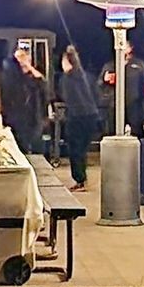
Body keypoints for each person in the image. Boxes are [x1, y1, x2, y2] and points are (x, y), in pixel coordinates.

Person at [55, 44, 99, 191]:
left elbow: (65, 97)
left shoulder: (66, 79)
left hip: (76, 116)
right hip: (91, 116)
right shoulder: (86, 76)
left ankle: (79, 180)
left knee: (75, 149)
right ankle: (82, 179)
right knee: (83, 149)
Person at [0, 43, 48, 155]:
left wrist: (28, 66)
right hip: (17, 118)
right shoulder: (12, 76)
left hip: (34, 117)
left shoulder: (34, 76)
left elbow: (43, 85)